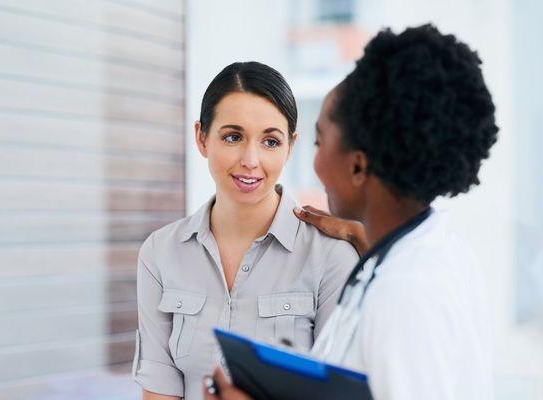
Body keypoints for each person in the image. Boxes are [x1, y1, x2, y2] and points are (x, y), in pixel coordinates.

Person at [204, 24, 498, 400]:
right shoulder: (421, 252)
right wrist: (365, 239)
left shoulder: (405, 294)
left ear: (358, 167)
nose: (313, 162)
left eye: (318, 141)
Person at [132, 62, 359, 400]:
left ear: (290, 147)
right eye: (233, 137)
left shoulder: (331, 257)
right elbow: (159, 391)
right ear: (202, 137)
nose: (250, 160)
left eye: (270, 141)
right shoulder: (160, 253)